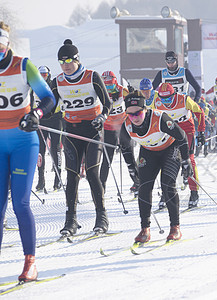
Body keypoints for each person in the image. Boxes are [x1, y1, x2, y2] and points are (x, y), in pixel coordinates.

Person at [0, 21, 56, 282]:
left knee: (21, 203)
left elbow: (49, 99)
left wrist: (37, 113)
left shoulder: (23, 65)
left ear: (7, 44)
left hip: (23, 142)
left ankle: (30, 262)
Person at [51, 39, 111, 236]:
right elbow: (50, 107)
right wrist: (36, 114)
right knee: (72, 175)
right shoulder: (58, 82)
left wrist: (102, 117)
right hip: (72, 133)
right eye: (62, 62)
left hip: (92, 131)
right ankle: (71, 221)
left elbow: (107, 104)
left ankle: (101, 217)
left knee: (93, 173)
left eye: (69, 61)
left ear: (77, 60)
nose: (66, 66)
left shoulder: (92, 76)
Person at [123, 90, 192, 243]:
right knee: (144, 187)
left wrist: (186, 160)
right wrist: (131, 168)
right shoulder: (127, 125)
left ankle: (175, 227)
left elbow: (181, 136)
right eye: (130, 114)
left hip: (170, 149)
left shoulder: (159, 118)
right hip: (148, 152)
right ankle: (145, 229)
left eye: (138, 114)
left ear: (145, 110)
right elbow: (125, 147)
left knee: (168, 184)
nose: (134, 118)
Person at [151, 83, 205, 209]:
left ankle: (194, 192)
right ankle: (166, 194)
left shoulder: (184, 99)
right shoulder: (157, 102)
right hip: (170, 132)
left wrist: (201, 131)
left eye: (169, 99)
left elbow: (199, 112)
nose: (166, 102)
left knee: (189, 160)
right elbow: (153, 117)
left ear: (174, 95)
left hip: (187, 130)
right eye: (163, 99)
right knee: (166, 161)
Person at [99, 71, 139, 196]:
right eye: (106, 86)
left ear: (115, 82)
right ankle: (101, 187)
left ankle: (137, 182)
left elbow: (135, 102)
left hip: (123, 127)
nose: (108, 89)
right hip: (109, 128)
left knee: (129, 157)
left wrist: (133, 93)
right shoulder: (101, 91)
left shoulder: (123, 90)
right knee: (106, 159)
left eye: (110, 86)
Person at [32, 66, 64, 192]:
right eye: (40, 75)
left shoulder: (54, 85)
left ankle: (58, 181)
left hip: (55, 119)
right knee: (40, 151)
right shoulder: (34, 86)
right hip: (41, 120)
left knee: (55, 149)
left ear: (49, 75)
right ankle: (41, 182)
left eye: (45, 75)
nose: (43, 77)